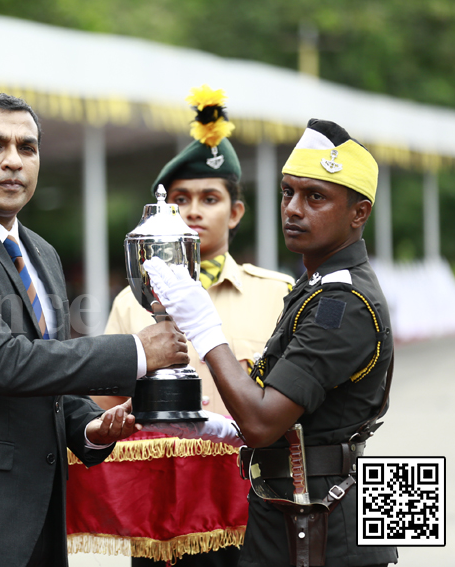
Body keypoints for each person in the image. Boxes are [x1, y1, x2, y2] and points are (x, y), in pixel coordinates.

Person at [0, 93, 190, 567]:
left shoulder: (40, 252)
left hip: (38, 524)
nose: (13, 162)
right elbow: (4, 363)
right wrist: (137, 351)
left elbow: (47, 360)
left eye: (27, 148)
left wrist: (88, 425)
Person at [146, 118, 397, 567]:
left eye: (315, 196)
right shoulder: (317, 286)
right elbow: (274, 410)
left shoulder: (343, 301)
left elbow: (264, 423)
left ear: (359, 213)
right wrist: (222, 427)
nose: (294, 209)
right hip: (296, 505)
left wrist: (203, 326)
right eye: (288, 193)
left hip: (323, 521)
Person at [94, 86, 293, 566]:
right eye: (181, 199)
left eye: (211, 197)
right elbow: (100, 405)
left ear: (236, 212)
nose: (194, 210)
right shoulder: (132, 300)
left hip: (252, 499)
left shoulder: (277, 293)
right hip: (161, 505)